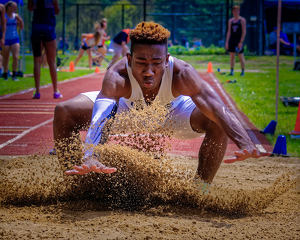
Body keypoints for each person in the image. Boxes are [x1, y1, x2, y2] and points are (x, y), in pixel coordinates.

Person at [53, 21, 265, 184]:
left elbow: (217, 107)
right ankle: (77, 185)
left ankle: (200, 189)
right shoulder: (117, 75)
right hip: (127, 111)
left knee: (215, 120)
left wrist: (246, 143)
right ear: (128, 59)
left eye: (156, 63)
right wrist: (91, 154)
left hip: (173, 114)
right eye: (141, 63)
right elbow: (102, 113)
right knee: (64, 111)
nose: (148, 72)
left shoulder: (183, 73)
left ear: (166, 59)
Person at [28, 0, 62, 99]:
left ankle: (37, 92)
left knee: (37, 60)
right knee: (51, 61)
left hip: (36, 28)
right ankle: (55, 91)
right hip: (48, 28)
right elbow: (57, 10)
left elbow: (30, 8)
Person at [2, 1, 23, 81]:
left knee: (15, 56)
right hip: (6, 39)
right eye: (14, 7)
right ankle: (5, 74)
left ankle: (14, 74)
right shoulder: (4, 17)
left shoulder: (16, 16)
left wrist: (20, 24)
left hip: (14, 39)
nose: (15, 8)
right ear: (9, 7)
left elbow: (21, 24)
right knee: (6, 57)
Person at [225, 5, 246, 76]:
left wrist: (241, 42)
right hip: (232, 40)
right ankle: (231, 71)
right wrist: (227, 42)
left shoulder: (242, 20)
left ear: (239, 11)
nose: (235, 12)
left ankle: (242, 71)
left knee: (240, 56)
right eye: (234, 11)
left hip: (238, 40)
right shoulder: (230, 21)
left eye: (237, 11)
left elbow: (244, 31)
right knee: (232, 56)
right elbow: (229, 32)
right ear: (232, 12)